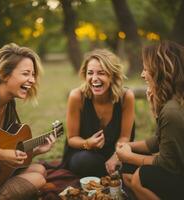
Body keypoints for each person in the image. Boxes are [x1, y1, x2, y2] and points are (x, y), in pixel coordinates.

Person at [0, 43, 56, 200]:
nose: (32, 80)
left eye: (33, 74)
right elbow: (3, 152)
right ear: (4, 75)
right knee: (38, 179)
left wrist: (36, 150)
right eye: (26, 74)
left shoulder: (9, 104)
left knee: (40, 170)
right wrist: (2, 155)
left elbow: (6, 146)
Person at [116, 40, 184, 200]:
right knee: (129, 169)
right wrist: (127, 146)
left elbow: (168, 164)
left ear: (161, 71)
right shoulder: (173, 102)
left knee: (142, 175)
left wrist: (129, 156)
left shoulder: (172, 110)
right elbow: (159, 140)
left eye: (146, 69)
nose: (142, 74)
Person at [63, 49, 135, 177]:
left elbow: (125, 137)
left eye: (101, 73)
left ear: (112, 75)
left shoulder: (126, 97)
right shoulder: (77, 96)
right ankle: (114, 175)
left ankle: (113, 171)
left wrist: (116, 156)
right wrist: (88, 143)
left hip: (116, 151)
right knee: (83, 162)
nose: (94, 79)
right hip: (84, 153)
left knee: (141, 160)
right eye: (90, 73)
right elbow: (72, 139)